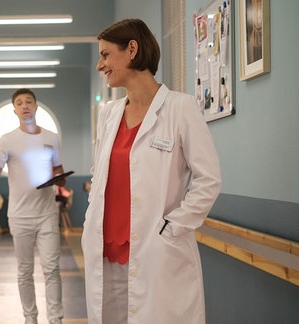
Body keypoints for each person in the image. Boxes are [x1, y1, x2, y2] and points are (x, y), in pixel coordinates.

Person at [82, 19, 222, 324]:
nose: (100, 65)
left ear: (132, 49)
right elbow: (100, 176)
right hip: (106, 255)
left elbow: (208, 180)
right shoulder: (109, 115)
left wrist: (173, 227)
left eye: (105, 55)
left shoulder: (180, 109)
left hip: (155, 253)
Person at [0, 88, 65, 324]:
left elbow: (58, 169)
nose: (25, 105)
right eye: (19, 103)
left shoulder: (51, 137)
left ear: (36, 106)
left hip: (47, 212)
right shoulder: (7, 139)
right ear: (14, 110)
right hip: (20, 216)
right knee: (25, 271)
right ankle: (30, 318)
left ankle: (56, 319)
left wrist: (60, 178)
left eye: (29, 101)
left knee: (52, 268)